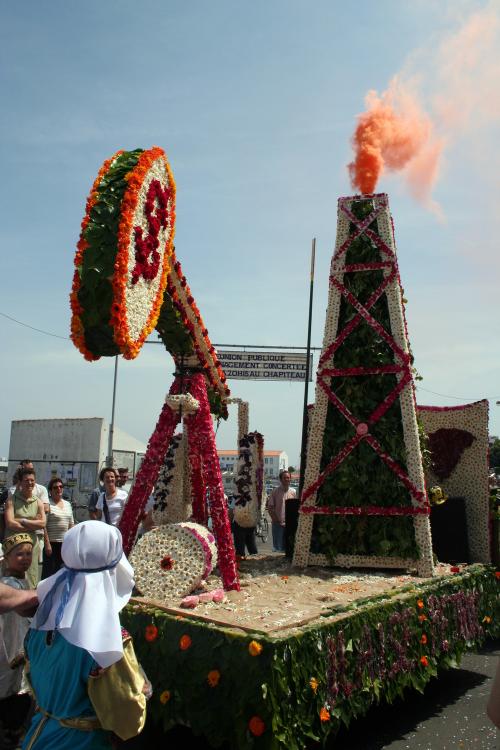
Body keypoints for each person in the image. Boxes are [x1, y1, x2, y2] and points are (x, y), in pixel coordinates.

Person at [22, 521, 147, 749]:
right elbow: (127, 719)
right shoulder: (107, 640)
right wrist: (141, 690)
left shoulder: (43, 618)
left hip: (40, 735)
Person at [0, 533, 35, 749]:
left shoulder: (22, 581)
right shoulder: (9, 584)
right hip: (11, 650)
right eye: (19, 554)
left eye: (29, 554)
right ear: (7, 557)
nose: (25, 558)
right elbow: (14, 627)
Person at [4, 468, 46, 588]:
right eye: (26, 480)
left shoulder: (38, 502)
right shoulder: (11, 500)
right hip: (14, 547)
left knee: (31, 579)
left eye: (32, 480)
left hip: (31, 546)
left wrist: (22, 520)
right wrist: (33, 523)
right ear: (20, 482)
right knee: (12, 580)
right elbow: (10, 523)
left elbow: (42, 523)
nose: (30, 483)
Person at [42, 477, 74, 579]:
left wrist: (70, 543)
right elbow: (43, 525)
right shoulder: (48, 505)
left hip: (64, 545)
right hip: (51, 544)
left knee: (61, 572)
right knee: (48, 573)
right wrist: (47, 544)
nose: (58, 489)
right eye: (55, 487)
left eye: (61, 487)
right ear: (50, 491)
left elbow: (71, 524)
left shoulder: (68, 504)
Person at [266, 470, 296, 552]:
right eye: (285, 478)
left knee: (289, 548)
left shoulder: (293, 492)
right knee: (278, 549)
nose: (287, 479)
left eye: (288, 478)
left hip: (290, 524)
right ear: (280, 479)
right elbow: (270, 508)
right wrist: (276, 520)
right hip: (278, 524)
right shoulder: (275, 491)